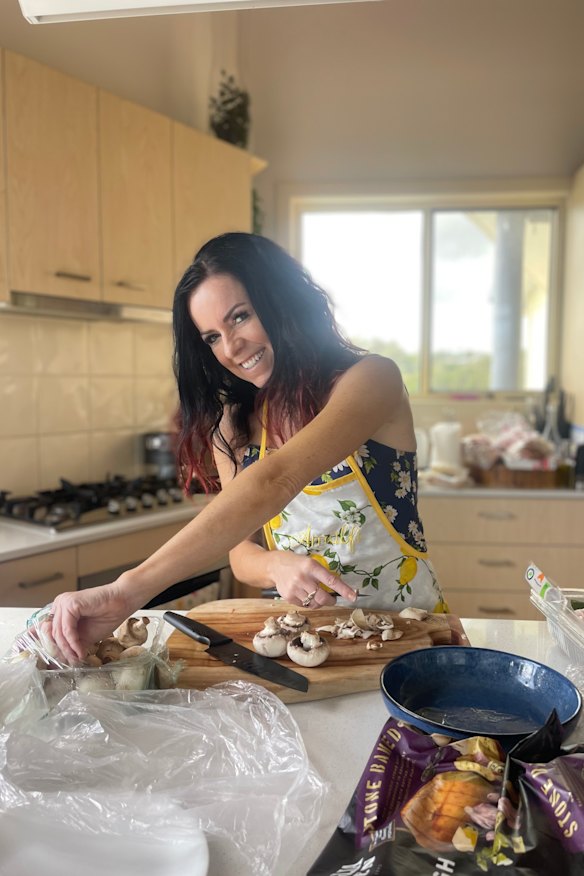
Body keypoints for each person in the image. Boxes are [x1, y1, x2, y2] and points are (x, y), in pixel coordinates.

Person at [50, 233, 447, 664]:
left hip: (409, 636)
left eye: (239, 317)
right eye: (211, 338)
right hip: (309, 648)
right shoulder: (236, 425)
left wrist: (128, 589)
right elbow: (241, 554)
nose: (231, 348)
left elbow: (276, 479)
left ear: (281, 301)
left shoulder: (371, 379)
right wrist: (275, 565)